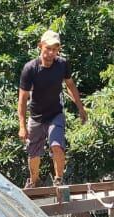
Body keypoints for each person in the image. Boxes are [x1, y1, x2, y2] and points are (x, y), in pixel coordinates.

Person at [17, 29, 88, 188]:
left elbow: (70, 85)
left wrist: (81, 108)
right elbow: (22, 99)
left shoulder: (62, 64)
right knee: (33, 153)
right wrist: (22, 126)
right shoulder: (30, 69)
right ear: (40, 46)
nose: (51, 53)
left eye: (55, 49)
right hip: (36, 116)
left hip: (55, 114)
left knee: (56, 145)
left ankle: (59, 180)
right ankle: (33, 182)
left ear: (58, 50)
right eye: (48, 48)